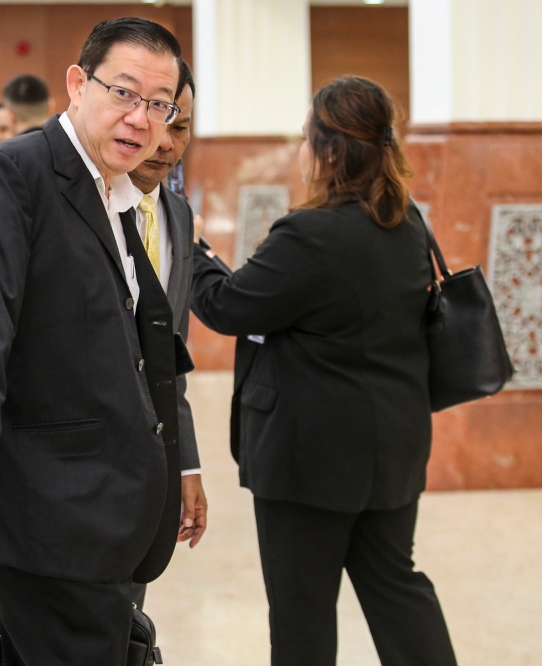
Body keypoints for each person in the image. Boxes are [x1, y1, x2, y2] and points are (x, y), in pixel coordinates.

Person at [0, 18, 189, 665]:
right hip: (48, 511)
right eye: (123, 93)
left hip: (104, 513)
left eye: (159, 104)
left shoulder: (116, 193)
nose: (140, 118)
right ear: (76, 83)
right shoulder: (13, 175)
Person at [191, 76, 458, 666]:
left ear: (329, 150)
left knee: (303, 610)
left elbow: (227, 305)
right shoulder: (408, 224)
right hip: (391, 448)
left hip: (307, 459)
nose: (303, 151)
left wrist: (195, 251)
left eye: (308, 138)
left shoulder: (310, 235)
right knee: (397, 591)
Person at [126, 58, 206, 611]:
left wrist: (187, 463)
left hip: (147, 470)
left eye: (180, 128)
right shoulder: (78, 207)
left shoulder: (178, 213)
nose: (166, 143)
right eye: (158, 121)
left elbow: (168, 355)